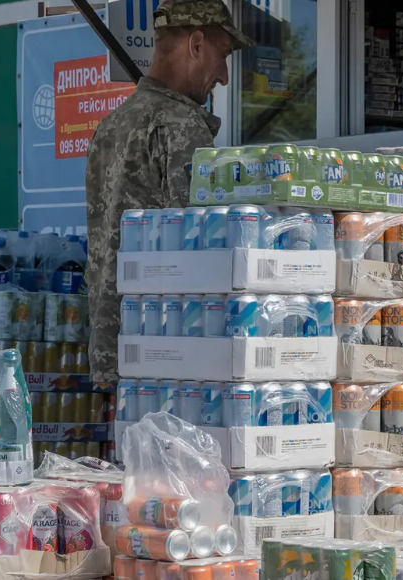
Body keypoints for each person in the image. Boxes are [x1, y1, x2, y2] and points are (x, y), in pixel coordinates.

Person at [84, 0, 252, 389]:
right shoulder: (181, 125)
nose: (224, 76)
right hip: (168, 358)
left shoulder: (112, 124)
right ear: (195, 44)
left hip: (116, 351)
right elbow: (199, 250)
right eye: (222, 55)